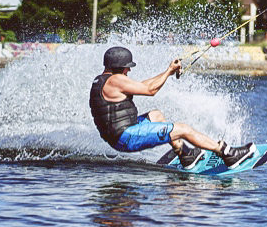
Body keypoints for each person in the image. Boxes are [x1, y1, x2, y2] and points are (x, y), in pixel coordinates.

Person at [89, 46, 256, 169]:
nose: (128, 71)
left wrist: (166, 72)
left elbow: (142, 85)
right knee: (182, 129)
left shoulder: (103, 80)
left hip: (121, 134)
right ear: (120, 67)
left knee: (156, 115)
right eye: (127, 67)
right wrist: (169, 71)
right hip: (126, 137)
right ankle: (227, 154)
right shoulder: (116, 80)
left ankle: (185, 155)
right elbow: (150, 90)